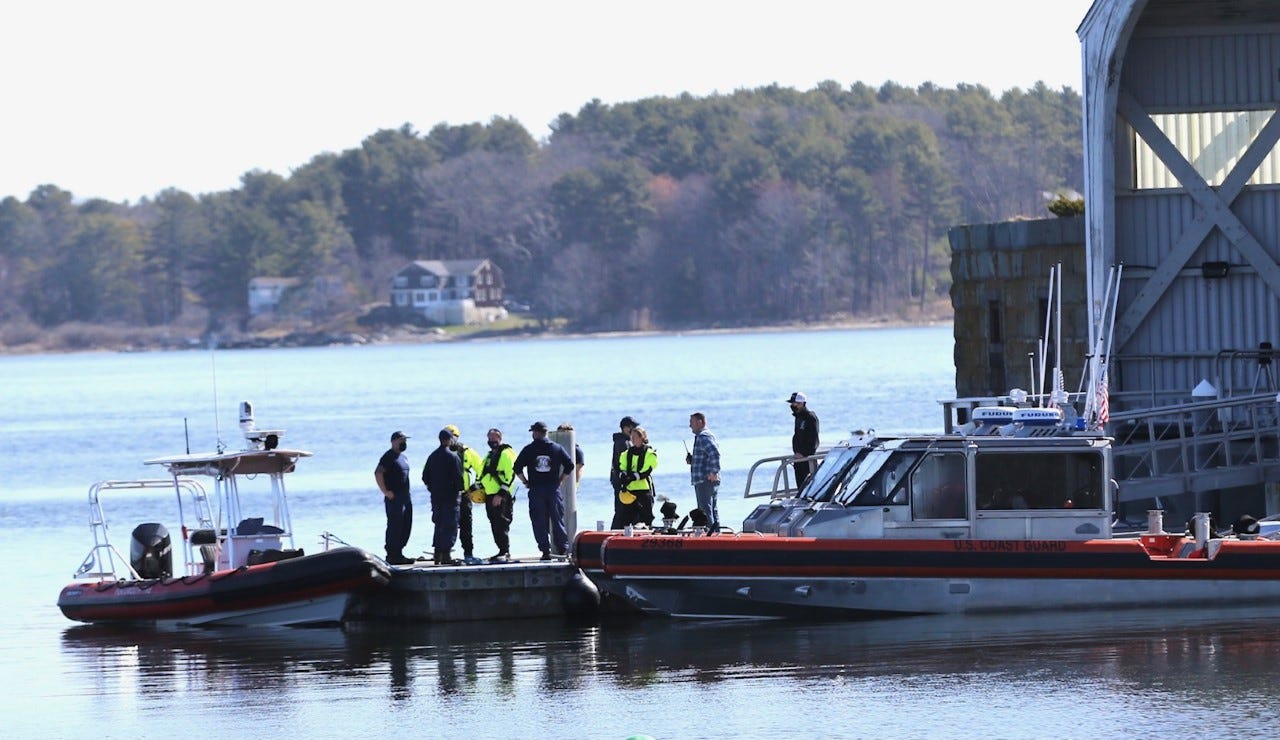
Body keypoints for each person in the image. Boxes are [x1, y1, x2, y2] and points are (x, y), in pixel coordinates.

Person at [514, 420, 575, 561]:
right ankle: (564, 549)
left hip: (536, 489)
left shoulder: (529, 449)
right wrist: (561, 479)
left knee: (539, 521)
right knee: (557, 519)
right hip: (553, 488)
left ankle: (545, 551)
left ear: (535, 433)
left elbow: (517, 467)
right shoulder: (557, 448)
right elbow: (570, 465)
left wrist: (525, 482)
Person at [441, 423, 485, 564]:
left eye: (453, 435)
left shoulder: (467, 452)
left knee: (466, 526)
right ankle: (443, 554)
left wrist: (475, 486)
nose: (451, 439)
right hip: (447, 496)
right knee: (446, 525)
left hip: (464, 494)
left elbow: (482, 469)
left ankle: (468, 553)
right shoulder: (439, 453)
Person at [421, 428, 464, 565]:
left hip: (436, 497)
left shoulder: (432, 456)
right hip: (450, 498)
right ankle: (446, 555)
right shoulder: (453, 457)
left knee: (438, 524)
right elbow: (459, 478)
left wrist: (432, 488)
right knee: (450, 525)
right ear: (449, 440)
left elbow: (425, 476)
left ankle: (437, 554)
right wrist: (460, 490)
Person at [476, 427, 517, 562]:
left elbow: (510, 475)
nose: (492, 441)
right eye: (489, 438)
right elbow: (482, 475)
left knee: (502, 523)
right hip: (489, 495)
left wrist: (500, 494)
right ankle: (501, 550)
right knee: (494, 523)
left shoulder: (506, 453)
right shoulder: (488, 456)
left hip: (501, 496)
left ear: (500, 438)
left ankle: (505, 551)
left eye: (494, 438)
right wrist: (472, 489)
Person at [374, 430, 415, 565]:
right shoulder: (388, 456)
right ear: (394, 441)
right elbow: (378, 473)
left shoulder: (404, 457)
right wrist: (386, 492)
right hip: (394, 498)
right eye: (401, 440)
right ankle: (392, 555)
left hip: (405, 497)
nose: (404, 442)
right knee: (394, 526)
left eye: (405, 440)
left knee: (406, 526)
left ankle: (399, 553)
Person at [615, 425, 658, 529]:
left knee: (646, 517)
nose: (632, 439)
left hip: (644, 490)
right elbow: (622, 467)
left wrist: (634, 477)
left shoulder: (650, 453)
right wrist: (623, 476)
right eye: (631, 436)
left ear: (642, 437)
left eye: (635, 436)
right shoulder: (626, 453)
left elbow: (646, 470)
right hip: (630, 491)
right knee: (625, 518)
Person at [687, 411, 722, 532]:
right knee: (712, 509)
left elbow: (714, 453)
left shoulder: (703, 437)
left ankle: (710, 536)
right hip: (707, 479)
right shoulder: (706, 436)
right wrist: (693, 460)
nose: (690, 425)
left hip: (705, 480)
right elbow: (707, 456)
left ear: (700, 422)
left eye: (691, 422)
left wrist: (714, 472)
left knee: (705, 510)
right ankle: (717, 534)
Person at [610, 416, 639, 526]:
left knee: (624, 508)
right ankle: (616, 530)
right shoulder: (623, 442)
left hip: (621, 479)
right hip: (622, 481)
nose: (635, 430)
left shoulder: (624, 441)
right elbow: (626, 463)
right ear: (625, 428)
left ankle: (619, 529)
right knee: (622, 509)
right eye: (633, 427)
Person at [787, 391, 820, 489]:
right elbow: (797, 437)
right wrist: (796, 452)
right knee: (800, 487)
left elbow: (814, 440)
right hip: (798, 459)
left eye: (795, 403)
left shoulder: (810, 418)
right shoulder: (798, 417)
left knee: (809, 486)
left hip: (807, 459)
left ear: (802, 404)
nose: (793, 405)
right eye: (792, 404)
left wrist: (804, 454)